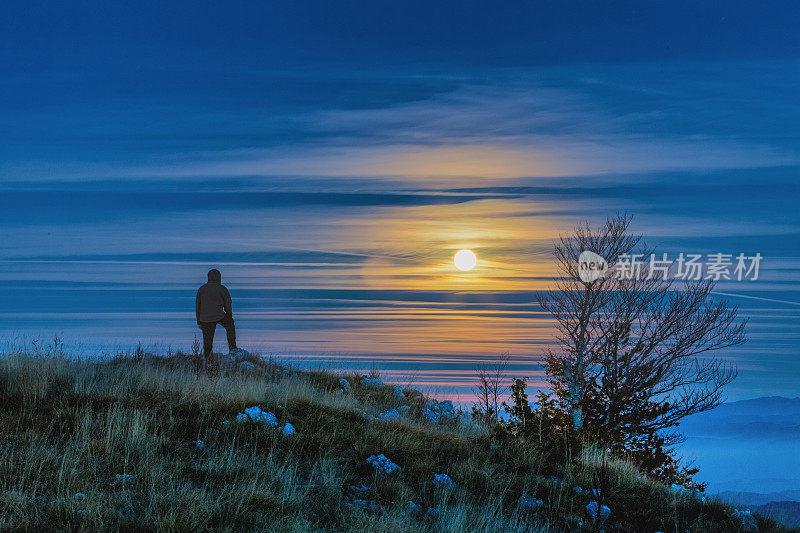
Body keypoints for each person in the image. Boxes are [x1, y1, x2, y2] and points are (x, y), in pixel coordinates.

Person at [196, 268, 240, 359]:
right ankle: (232, 348)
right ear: (219, 277)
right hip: (218, 315)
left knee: (207, 338)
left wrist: (199, 321)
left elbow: (197, 306)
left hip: (205, 318)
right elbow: (228, 303)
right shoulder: (222, 288)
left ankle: (207, 356)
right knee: (230, 325)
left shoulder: (201, 289)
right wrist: (229, 315)